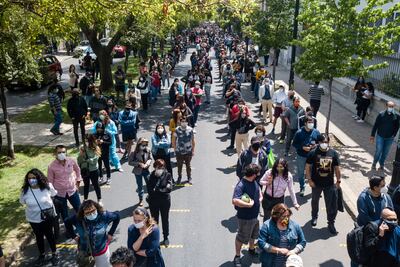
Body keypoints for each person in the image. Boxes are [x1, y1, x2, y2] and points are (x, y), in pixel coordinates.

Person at [20, 169, 59, 266]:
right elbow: (22, 201)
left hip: (48, 217)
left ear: (39, 178)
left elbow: (54, 194)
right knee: (39, 237)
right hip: (33, 219)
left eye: (33, 178)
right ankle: (42, 255)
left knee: (50, 234)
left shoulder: (47, 186)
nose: (31, 180)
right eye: (29, 178)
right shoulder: (25, 190)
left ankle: (54, 253)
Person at [65, 200, 120, 267]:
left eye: (93, 210)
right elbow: (67, 221)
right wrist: (74, 236)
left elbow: (117, 216)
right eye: (87, 213)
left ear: (96, 208)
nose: (91, 214)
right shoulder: (78, 219)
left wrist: (111, 233)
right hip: (85, 253)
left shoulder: (104, 216)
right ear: (83, 213)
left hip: (102, 252)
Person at [305, 134, 341, 235]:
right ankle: (314, 216)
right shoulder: (313, 153)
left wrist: (338, 181)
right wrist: (309, 180)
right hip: (316, 184)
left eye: (326, 142)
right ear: (318, 142)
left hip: (329, 184)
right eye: (322, 142)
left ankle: (331, 223)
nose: (324, 144)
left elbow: (337, 169)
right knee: (315, 201)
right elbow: (307, 167)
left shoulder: (333, 153)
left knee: (331, 205)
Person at [232, 164, 262, 267]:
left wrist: (260, 197)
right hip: (245, 218)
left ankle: (251, 249)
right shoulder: (241, 185)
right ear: (253, 175)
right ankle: (237, 256)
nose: (259, 175)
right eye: (258, 173)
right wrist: (248, 204)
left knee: (253, 234)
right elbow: (235, 200)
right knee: (241, 237)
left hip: (254, 216)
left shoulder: (253, 181)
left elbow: (258, 190)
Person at [47, 145, 82, 222]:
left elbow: (77, 170)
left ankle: (84, 224)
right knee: (64, 214)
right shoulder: (51, 166)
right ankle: (69, 231)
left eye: (63, 152)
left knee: (79, 209)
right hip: (59, 194)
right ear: (55, 154)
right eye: (59, 152)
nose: (61, 154)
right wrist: (52, 195)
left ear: (66, 152)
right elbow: (50, 182)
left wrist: (78, 180)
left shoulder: (71, 160)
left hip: (72, 190)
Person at [292, 116, 321, 196]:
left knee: (314, 173)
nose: (311, 124)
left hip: (313, 157)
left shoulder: (316, 132)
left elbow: (320, 142)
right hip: (301, 156)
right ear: (305, 123)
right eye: (309, 122)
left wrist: (315, 146)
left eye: (312, 122)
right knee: (301, 173)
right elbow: (294, 144)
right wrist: (302, 147)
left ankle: (315, 189)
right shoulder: (299, 133)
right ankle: (302, 187)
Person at [147, 159, 173, 246]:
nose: (160, 168)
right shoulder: (151, 176)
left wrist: (158, 190)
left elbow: (169, 188)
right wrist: (161, 190)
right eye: (158, 167)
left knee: (165, 219)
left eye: (162, 167)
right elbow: (150, 190)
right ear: (155, 167)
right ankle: (155, 237)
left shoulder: (168, 175)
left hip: (164, 202)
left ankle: (166, 237)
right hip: (153, 202)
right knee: (154, 221)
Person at [370, 101, 400, 171]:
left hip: (390, 138)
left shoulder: (396, 116)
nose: (391, 108)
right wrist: (372, 135)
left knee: (385, 152)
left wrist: (394, 135)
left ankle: (381, 164)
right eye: (389, 106)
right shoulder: (381, 114)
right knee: (379, 150)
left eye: (392, 106)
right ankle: (374, 163)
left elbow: (397, 126)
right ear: (386, 106)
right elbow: (375, 125)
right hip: (380, 136)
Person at [77, 135, 102, 204]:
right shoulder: (82, 148)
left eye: (87, 141)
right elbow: (79, 161)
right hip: (85, 170)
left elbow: (94, 161)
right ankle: (85, 199)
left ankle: (99, 199)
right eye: (85, 141)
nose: (86, 142)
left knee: (96, 184)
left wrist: (87, 160)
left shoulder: (95, 148)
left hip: (94, 170)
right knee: (86, 185)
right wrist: (81, 155)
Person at [172, 116, 195, 185]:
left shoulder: (190, 130)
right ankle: (179, 177)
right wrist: (175, 150)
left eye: (185, 121)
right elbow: (173, 140)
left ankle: (189, 177)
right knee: (179, 166)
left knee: (188, 166)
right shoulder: (177, 130)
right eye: (182, 121)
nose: (184, 123)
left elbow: (193, 140)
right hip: (179, 151)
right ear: (180, 122)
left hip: (188, 151)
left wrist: (193, 150)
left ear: (187, 122)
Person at [129, 138, 152, 206]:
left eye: (145, 144)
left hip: (146, 170)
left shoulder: (148, 150)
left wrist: (147, 164)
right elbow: (130, 162)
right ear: (139, 143)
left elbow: (150, 158)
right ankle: (141, 199)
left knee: (149, 185)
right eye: (143, 143)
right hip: (138, 171)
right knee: (140, 186)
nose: (144, 145)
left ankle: (150, 198)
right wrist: (139, 164)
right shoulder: (134, 152)